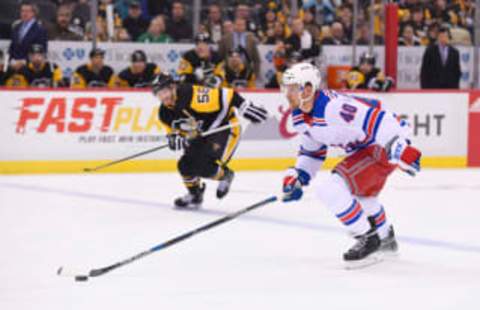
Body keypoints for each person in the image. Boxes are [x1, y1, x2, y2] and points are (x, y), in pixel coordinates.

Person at [280, 62, 421, 266]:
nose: (287, 93)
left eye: (293, 88)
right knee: (358, 196)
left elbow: (376, 120)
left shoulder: (333, 107)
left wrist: (399, 147)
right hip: (364, 147)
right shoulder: (300, 116)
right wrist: (299, 176)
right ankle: (385, 238)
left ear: (309, 88)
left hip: (382, 140)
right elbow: (312, 151)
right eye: (286, 88)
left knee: (330, 189)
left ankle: (367, 237)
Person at [152, 73, 268, 208]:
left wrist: (244, 106)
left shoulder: (190, 94)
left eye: (164, 91)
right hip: (202, 135)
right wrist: (175, 140)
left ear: (173, 87)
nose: (162, 97)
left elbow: (227, 95)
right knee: (184, 165)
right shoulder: (164, 114)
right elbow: (174, 134)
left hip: (224, 128)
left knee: (204, 166)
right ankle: (195, 194)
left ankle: (226, 175)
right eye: (158, 94)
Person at [8, 1, 48, 71]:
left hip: (30, 67)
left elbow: (41, 50)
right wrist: (12, 61)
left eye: (27, 11)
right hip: (13, 66)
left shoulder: (40, 30)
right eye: (22, 11)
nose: (24, 13)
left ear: (34, 13)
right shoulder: (16, 27)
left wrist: (23, 62)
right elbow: (12, 47)